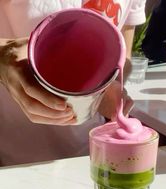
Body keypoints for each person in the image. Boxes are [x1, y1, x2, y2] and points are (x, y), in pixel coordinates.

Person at [0, 0, 146, 166]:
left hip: (87, 155)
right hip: (15, 163)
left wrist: (108, 88)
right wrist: (3, 54)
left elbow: (123, 54)